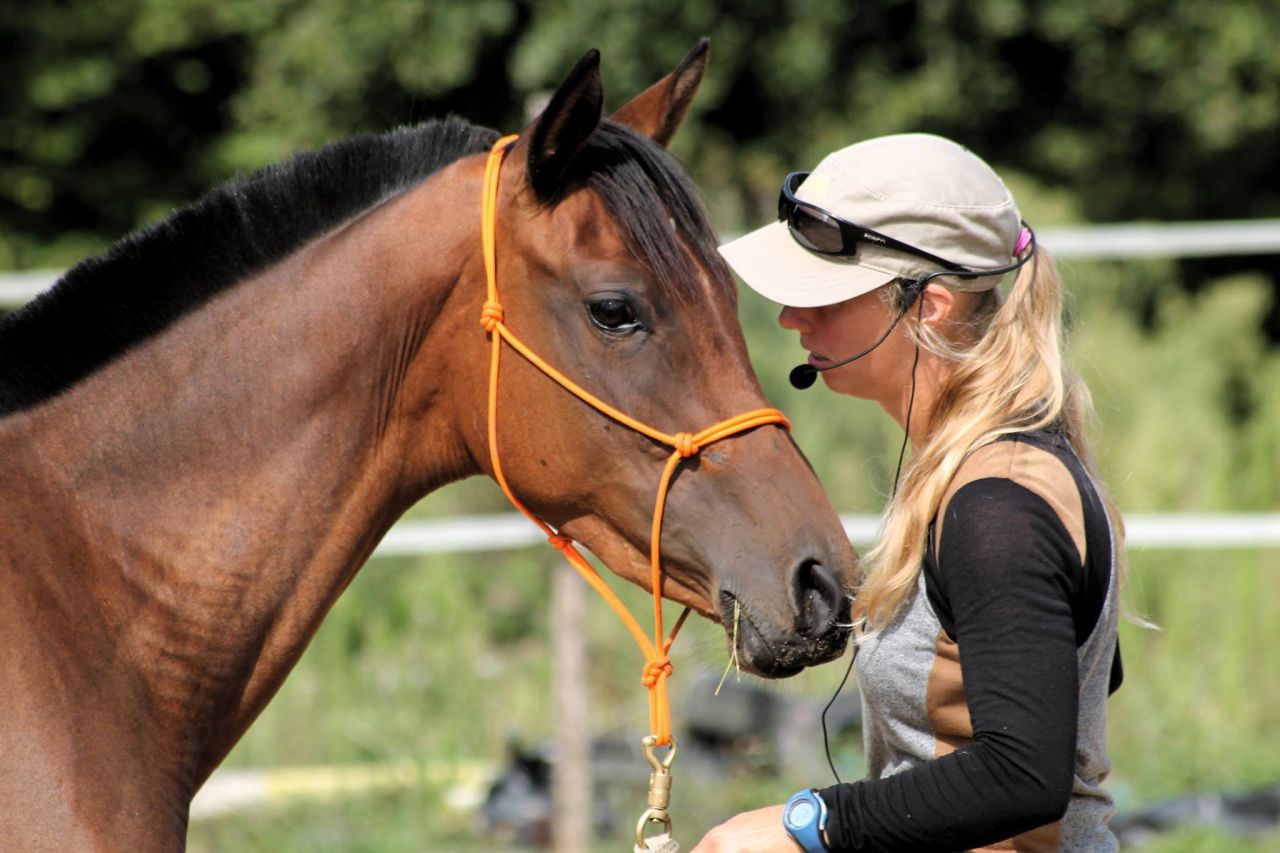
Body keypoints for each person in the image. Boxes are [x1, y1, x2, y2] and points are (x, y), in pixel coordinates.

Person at [692, 134, 1125, 852]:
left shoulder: (998, 507)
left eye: (824, 297)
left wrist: (810, 824)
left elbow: (1026, 770)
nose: (792, 318)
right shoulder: (976, 472)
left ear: (929, 306)